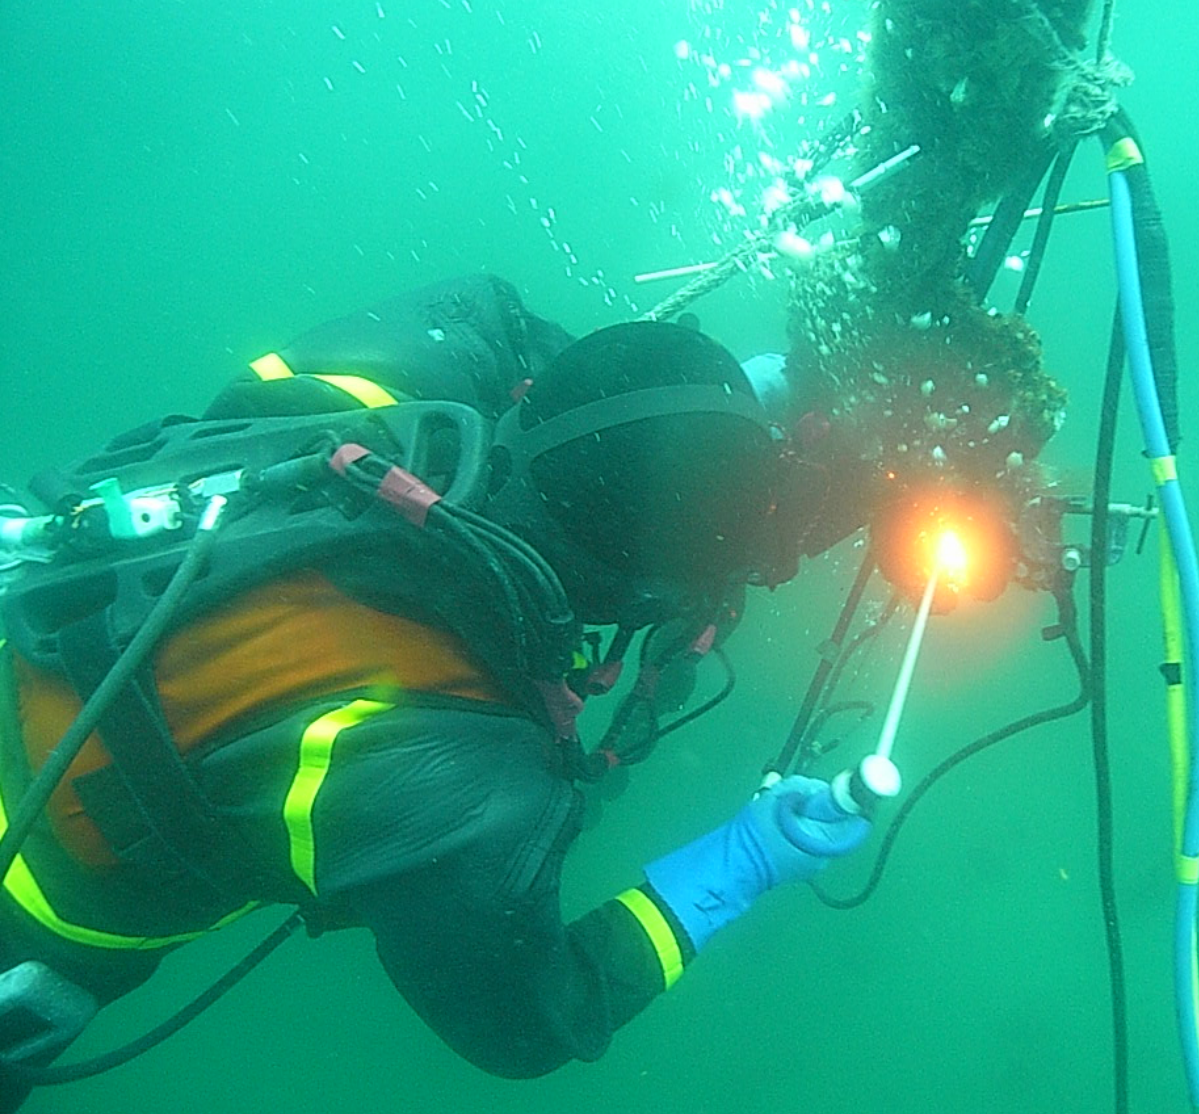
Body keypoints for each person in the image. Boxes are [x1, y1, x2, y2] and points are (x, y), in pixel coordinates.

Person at [0, 275, 873, 1109]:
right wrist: (741, 864)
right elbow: (528, 1027)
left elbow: (497, 317)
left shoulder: (395, 381)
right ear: (631, 593)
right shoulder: (465, 781)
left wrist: (698, 405)